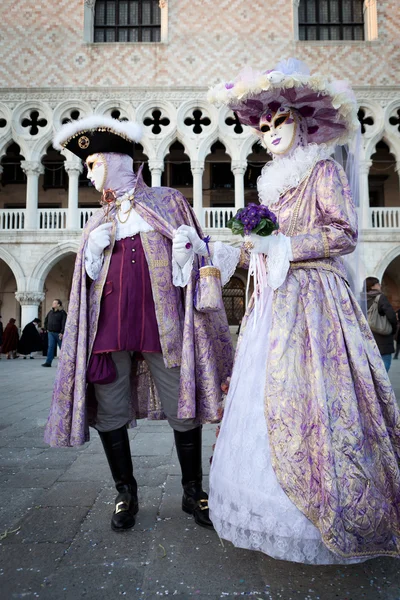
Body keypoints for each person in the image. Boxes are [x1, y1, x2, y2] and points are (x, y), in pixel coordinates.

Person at [175, 59, 400, 563]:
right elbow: (256, 245)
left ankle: (326, 510)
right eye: (265, 125)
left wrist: (284, 244)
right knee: (265, 396)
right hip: (273, 305)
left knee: (316, 397)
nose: (271, 131)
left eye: (282, 122)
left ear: (304, 124)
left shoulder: (322, 170)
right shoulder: (272, 186)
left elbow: (343, 234)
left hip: (316, 302)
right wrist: (211, 246)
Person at [44, 116, 233, 532]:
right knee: (110, 410)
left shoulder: (167, 201)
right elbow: (84, 288)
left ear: (115, 161)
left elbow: (197, 255)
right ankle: (124, 492)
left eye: (93, 164)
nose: (88, 173)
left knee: (182, 405)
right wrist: (90, 256)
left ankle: (191, 490)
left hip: (161, 324)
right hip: (108, 332)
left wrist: (186, 258)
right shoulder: (97, 221)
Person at [364, 277, 397, 372]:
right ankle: (382, 385)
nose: (380, 285)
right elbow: (391, 315)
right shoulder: (380, 297)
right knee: (385, 363)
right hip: (382, 335)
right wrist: (393, 329)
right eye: (378, 284)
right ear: (372, 286)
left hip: (367, 335)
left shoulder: (360, 298)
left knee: (371, 365)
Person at [42, 300, 67, 367]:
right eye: (53, 303)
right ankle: (48, 362)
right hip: (51, 333)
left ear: (58, 305)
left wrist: (62, 332)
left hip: (59, 333)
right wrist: (46, 328)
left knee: (62, 347)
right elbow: (46, 320)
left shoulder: (62, 313)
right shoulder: (50, 312)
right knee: (51, 347)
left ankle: (65, 363)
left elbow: (64, 323)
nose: (53, 304)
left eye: (55, 303)